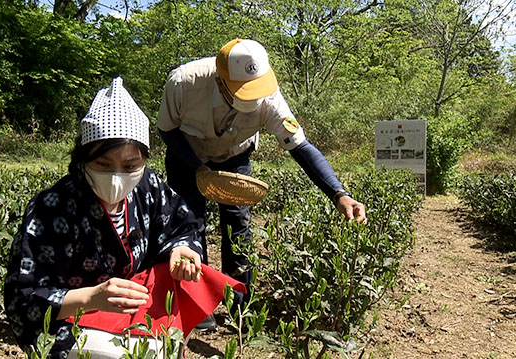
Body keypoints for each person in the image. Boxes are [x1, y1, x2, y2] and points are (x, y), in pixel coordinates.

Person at [4, 77, 230, 359]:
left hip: (135, 307)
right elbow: (22, 299)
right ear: (82, 158)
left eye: (130, 165)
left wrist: (181, 249)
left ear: (145, 160)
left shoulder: (149, 186)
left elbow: (182, 224)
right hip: (74, 319)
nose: (116, 177)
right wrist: (91, 297)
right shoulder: (51, 207)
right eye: (103, 164)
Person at [157, 38, 367, 331]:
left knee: (238, 224)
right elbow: (167, 131)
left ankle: (239, 304)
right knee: (190, 222)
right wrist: (198, 167)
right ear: (221, 83)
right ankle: (198, 302)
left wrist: (339, 193)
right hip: (187, 156)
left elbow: (301, 148)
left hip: (234, 155)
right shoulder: (184, 82)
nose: (252, 101)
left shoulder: (269, 97)